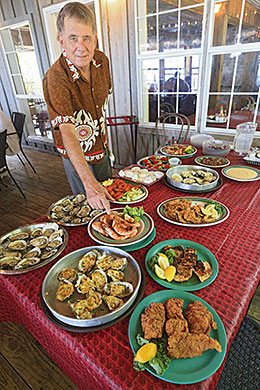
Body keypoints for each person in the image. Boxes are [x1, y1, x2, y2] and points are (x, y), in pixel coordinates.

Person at [42, 2, 113, 213]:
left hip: (102, 148)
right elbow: (67, 131)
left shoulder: (102, 61)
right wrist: (89, 183)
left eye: (86, 38)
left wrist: (107, 149)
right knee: (88, 208)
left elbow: (102, 108)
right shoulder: (55, 78)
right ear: (60, 39)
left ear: (95, 38)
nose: (81, 47)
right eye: (73, 38)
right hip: (76, 157)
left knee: (111, 201)